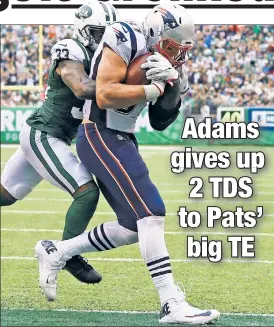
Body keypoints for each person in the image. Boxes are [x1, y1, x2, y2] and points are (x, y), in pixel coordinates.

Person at [35, 3, 220, 324]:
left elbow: (162, 120)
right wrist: (152, 88)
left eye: (181, 50)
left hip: (121, 136)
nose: (176, 54)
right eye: (170, 47)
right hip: (99, 132)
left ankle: (57, 252)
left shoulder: (173, 61)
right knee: (151, 213)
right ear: (153, 34)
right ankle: (171, 302)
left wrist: (172, 85)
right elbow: (104, 95)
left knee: (133, 227)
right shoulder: (124, 36)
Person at [1, 0, 119, 284]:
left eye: (107, 32)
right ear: (82, 27)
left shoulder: (104, 56)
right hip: (43, 134)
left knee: (5, 195)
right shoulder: (71, 48)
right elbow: (81, 86)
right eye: (97, 31)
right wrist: (129, 88)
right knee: (87, 192)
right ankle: (66, 254)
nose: (102, 38)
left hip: (54, 138)